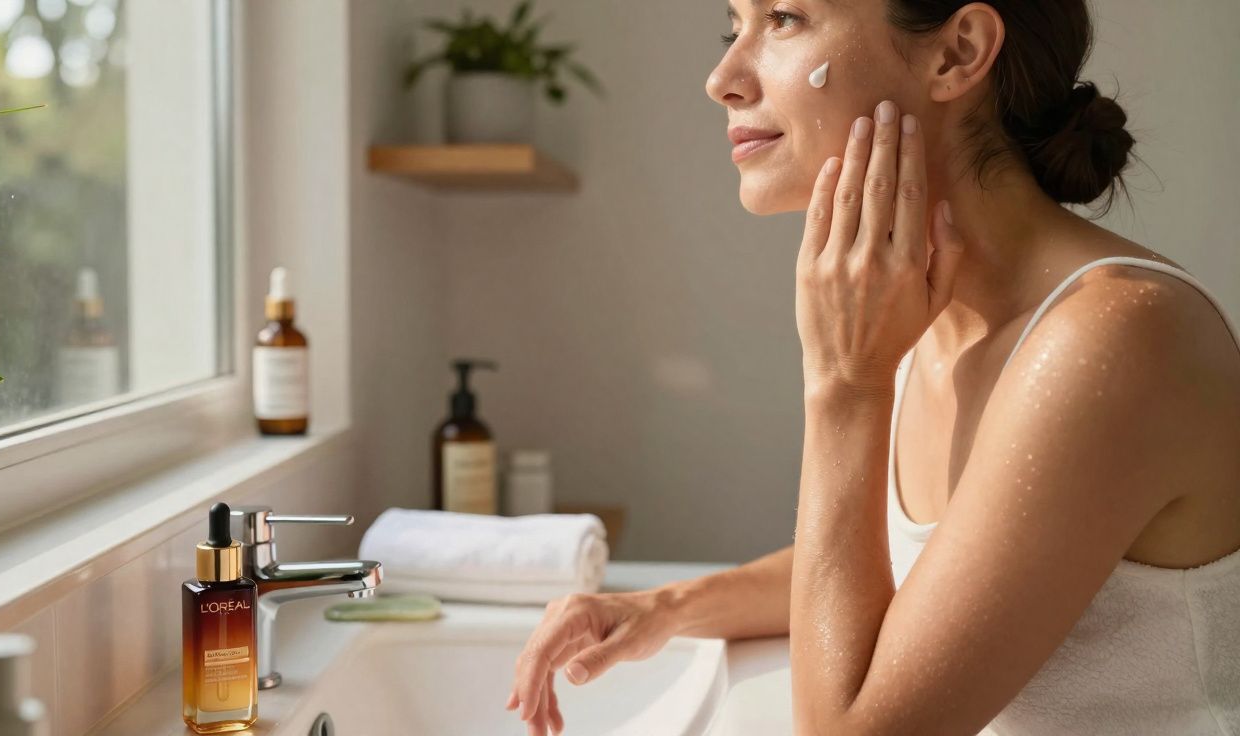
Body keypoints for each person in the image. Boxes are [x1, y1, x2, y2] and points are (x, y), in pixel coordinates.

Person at [506, 1, 1240, 735]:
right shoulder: (929, 307)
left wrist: (844, 388)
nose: (722, 78)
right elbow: (933, 570)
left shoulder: (1113, 340)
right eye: (735, 25)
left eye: (785, 17)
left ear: (956, 53)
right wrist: (664, 606)